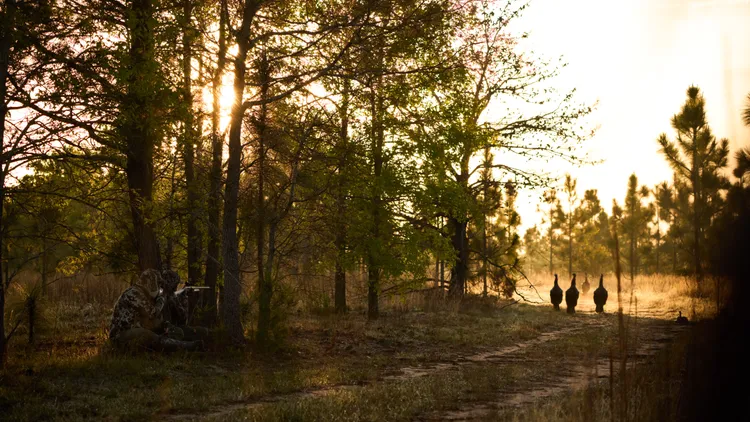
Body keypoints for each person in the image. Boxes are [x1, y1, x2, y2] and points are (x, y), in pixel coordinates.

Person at [109, 269, 203, 352]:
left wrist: (165, 326)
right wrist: (161, 299)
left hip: (128, 333)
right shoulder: (134, 293)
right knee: (150, 337)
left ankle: (183, 345)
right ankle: (186, 347)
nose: (159, 287)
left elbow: (151, 319)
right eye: (158, 284)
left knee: (153, 334)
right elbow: (152, 313)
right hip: (120, 336)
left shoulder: (141, 293)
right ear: (151, 283)